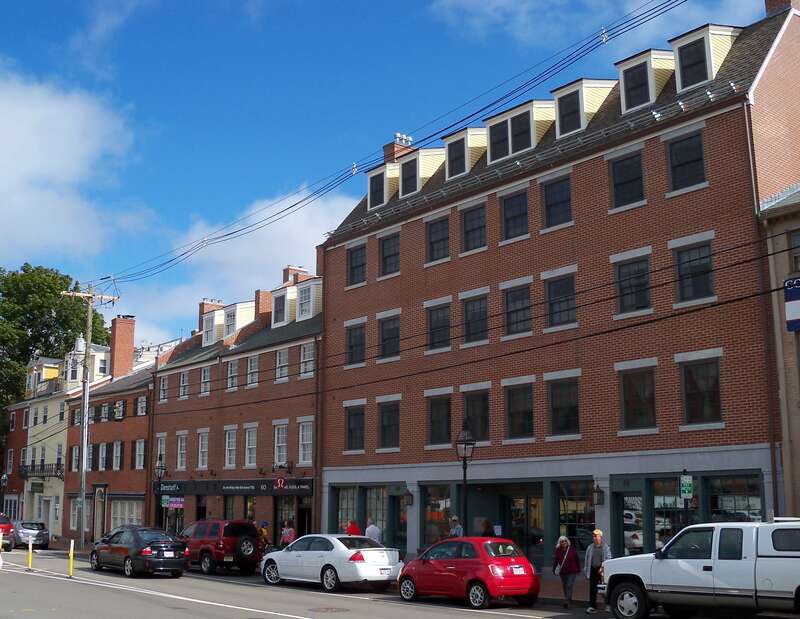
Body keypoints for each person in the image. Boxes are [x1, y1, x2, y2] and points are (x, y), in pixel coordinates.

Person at [584, 529, 612, 614]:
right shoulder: (590, 547)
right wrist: (586, 569)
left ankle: (608, 605)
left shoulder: (606, 547)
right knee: (593, 589)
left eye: (597, 536)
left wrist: (603, 567)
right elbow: (586, 559)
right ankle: (592, 606)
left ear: (601, 537)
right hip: (593, 569)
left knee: (604, 588)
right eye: (594, 536)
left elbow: (609, 559)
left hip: (602, 570)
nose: (595, 538)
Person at [552, 536, 581, 609]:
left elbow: (577, 559)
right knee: (565, 586)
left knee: (569, 585)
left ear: (567, 541)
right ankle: (568, 599)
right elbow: (556, 561)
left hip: (572, 571)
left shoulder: (572, 549)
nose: (564, 542)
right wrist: (554, 569)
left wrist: (579, 569)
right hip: (563, 572)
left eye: (565, 541)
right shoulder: (558, 551)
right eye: (562, 541)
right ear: (560, 543)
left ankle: (567, 601)